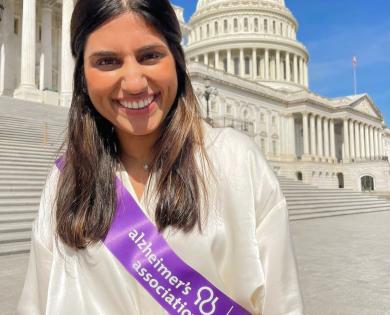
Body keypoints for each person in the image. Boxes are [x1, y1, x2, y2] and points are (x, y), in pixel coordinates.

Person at [17, 0, 303, 314]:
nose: (134, 83)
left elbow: (282, 304)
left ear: (177, 59)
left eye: (150, 56)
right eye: (107, 61)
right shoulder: (65, 180)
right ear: (82, 72)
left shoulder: (236, 161)